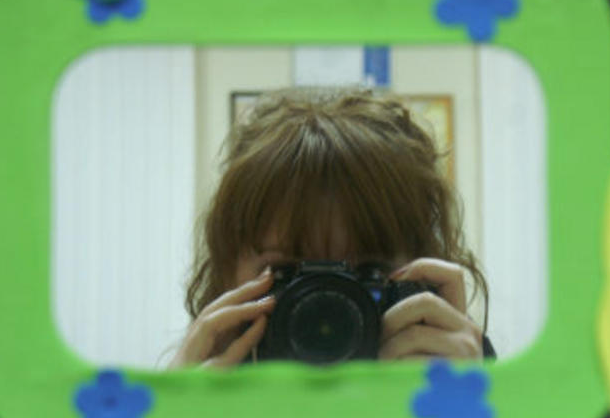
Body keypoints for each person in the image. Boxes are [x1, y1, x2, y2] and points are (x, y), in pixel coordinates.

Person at [168, 86, 493, 369]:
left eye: (369, 271)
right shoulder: (198, 397)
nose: (325, 313)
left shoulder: (462, 374)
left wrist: (468, 403)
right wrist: (176, 412)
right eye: (284, 273)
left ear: (422, 286)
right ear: (227, 280)